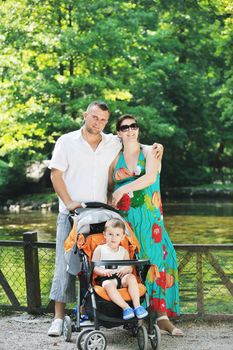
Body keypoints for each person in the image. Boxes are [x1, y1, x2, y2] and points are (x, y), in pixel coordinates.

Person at [47, 101, 163, 336]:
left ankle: (100, 310)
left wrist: (155, 147)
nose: (98, 122)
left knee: (100, 263)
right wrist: (69, 202)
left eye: (102, 119)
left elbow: (132, 139)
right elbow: (55, 174)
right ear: (85, 115)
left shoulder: (112, 142)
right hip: (72, 214)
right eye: (94, 117)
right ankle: (58, 318)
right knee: (64, 265)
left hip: (102, 216)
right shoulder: (66, 142)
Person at [109, 114, 184, 336]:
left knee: (157, 263)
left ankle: (161, 317)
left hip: (150, 219)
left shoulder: (151, 151)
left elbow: (151, 177)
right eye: (125, 127)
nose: (131, 130)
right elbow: (108, 188)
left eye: (134, 126)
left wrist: (122, 188)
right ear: (119, 132)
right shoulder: (115, 159)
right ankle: (138, 315)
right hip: (126, 221)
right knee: (131, 266)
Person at [92, 218, 148, 320]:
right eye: (110, 234)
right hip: (106, 278)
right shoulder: (100, 249)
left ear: (123, 237)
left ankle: (137, 306)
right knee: (108, 284)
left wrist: (126, 269)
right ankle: (126, 308)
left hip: (121, 277)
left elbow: (129, 267)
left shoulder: (124, 251)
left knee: (131, 277)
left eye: (117, 235)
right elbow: (94, 267)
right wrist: (103, 272)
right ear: (104, 234)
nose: (113, 238)